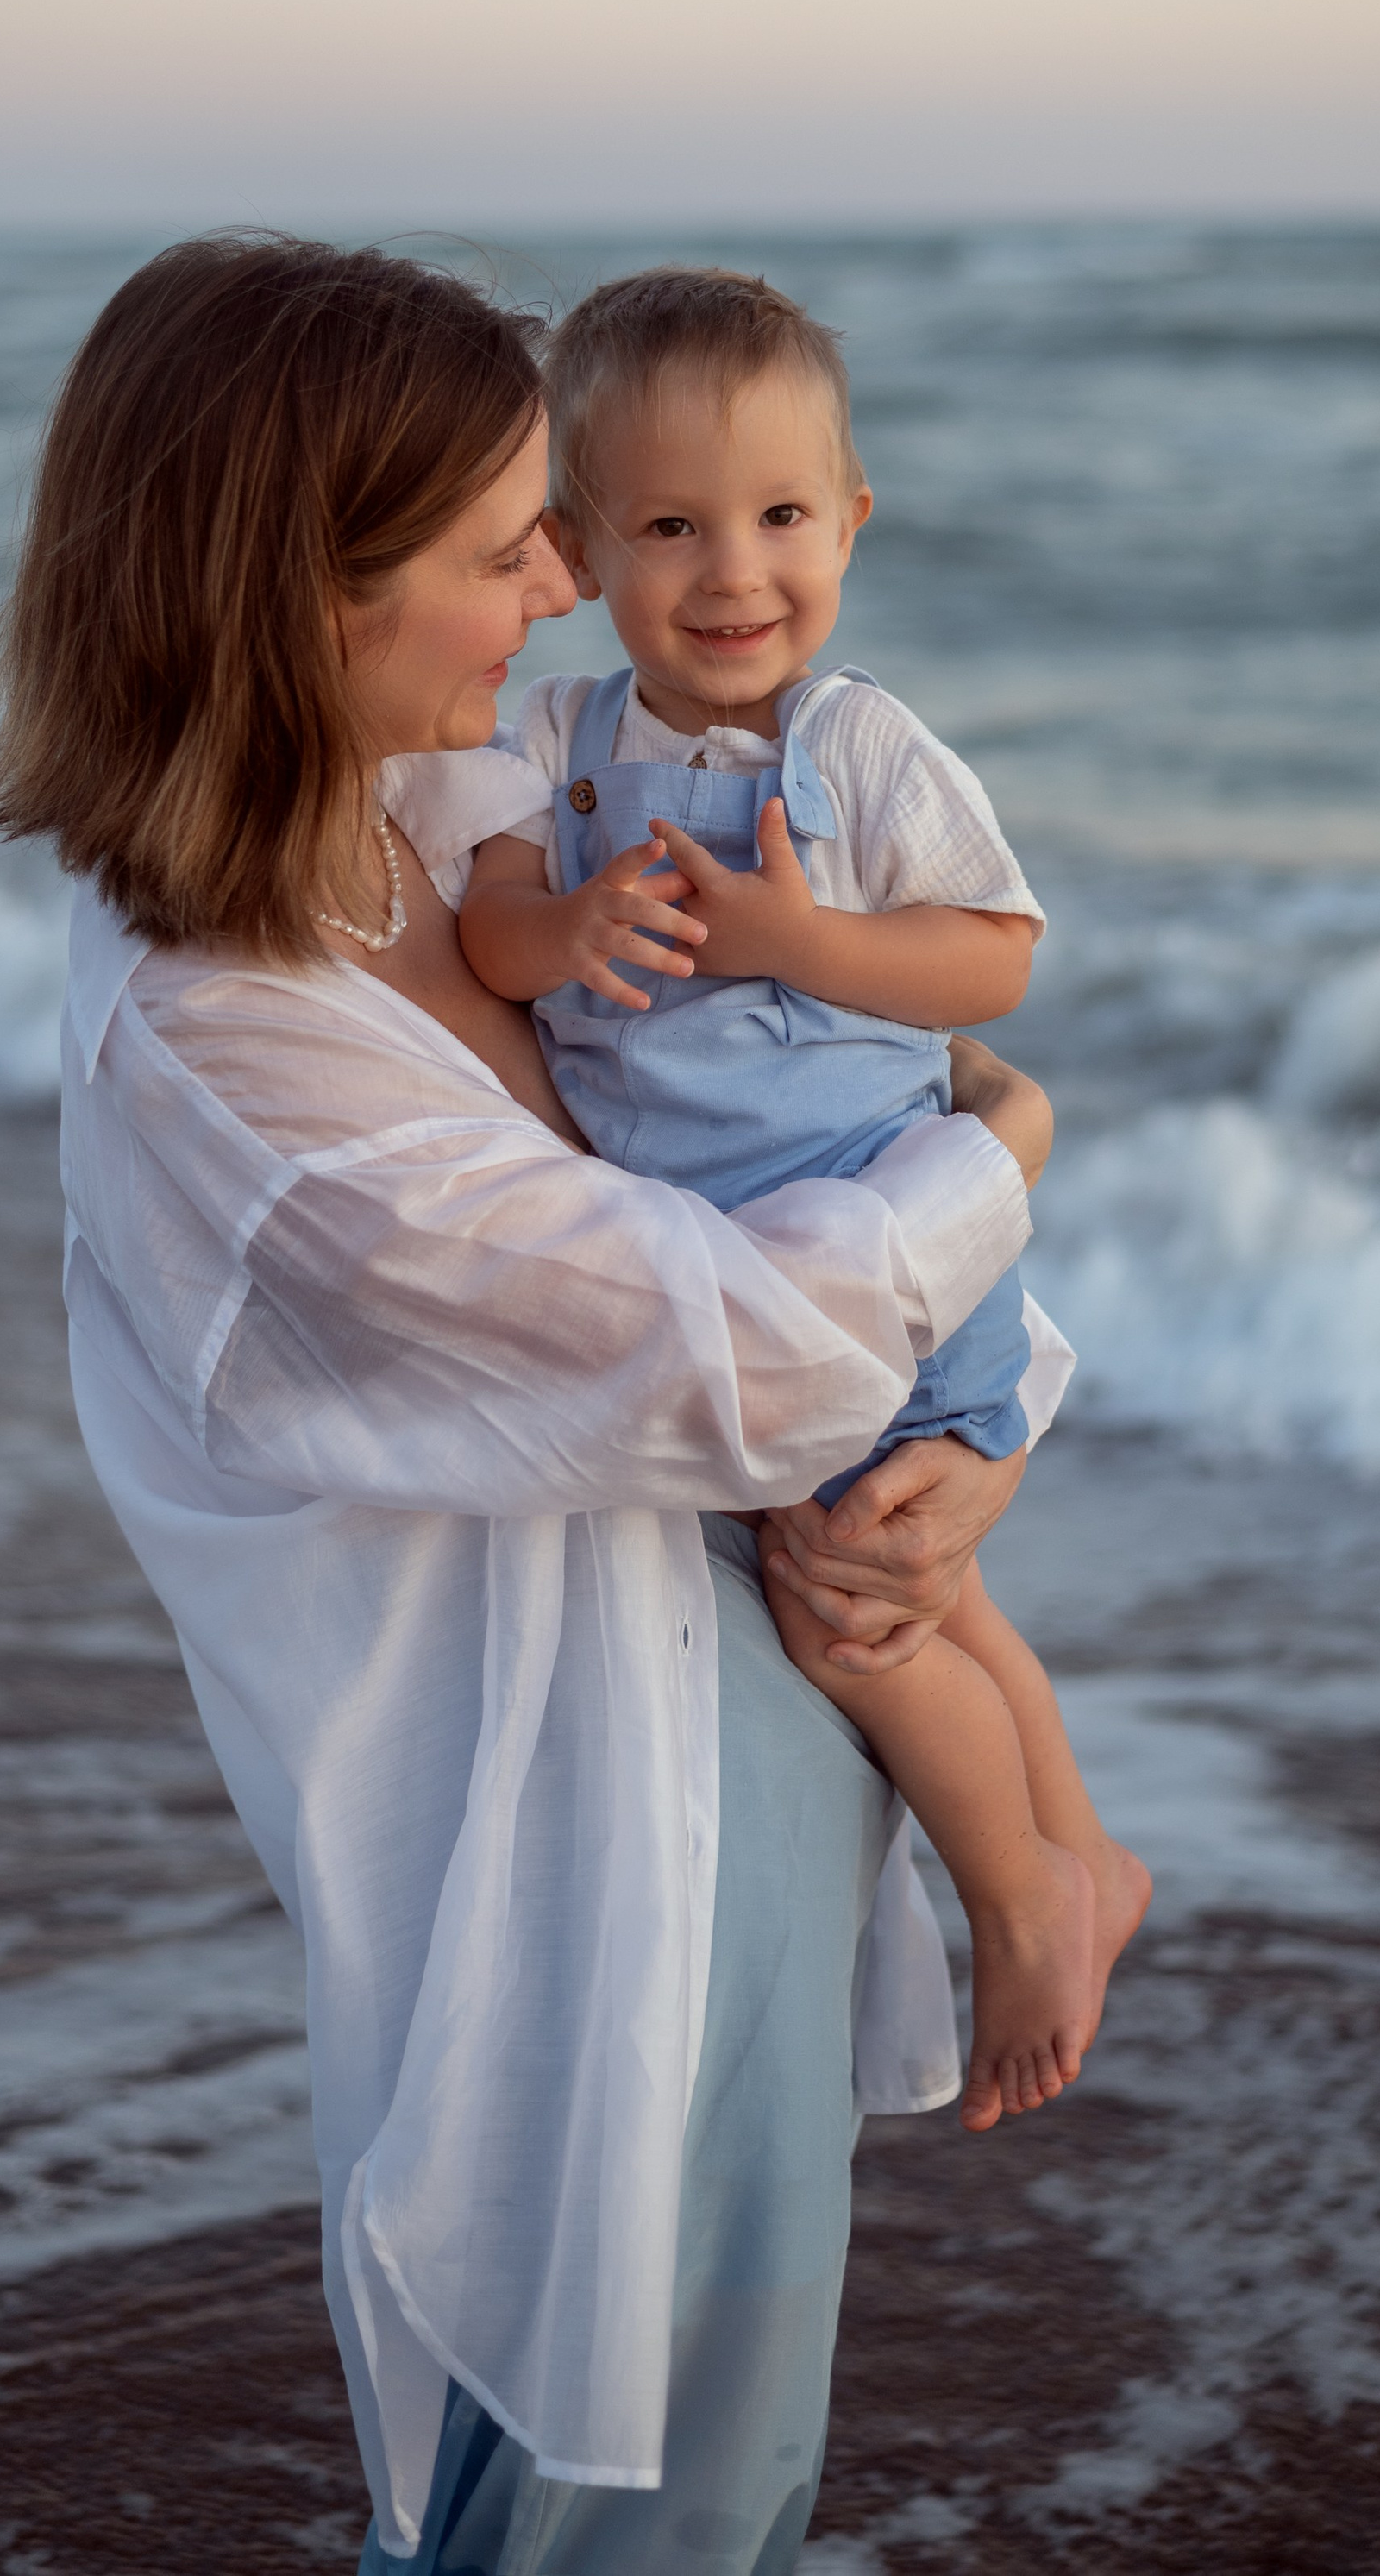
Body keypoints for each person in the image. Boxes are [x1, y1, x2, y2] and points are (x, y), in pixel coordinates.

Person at [0, 234, 1068, 2573]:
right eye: (507, 548)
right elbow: (730, 1344)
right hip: (580, 1853)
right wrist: (1009, 1144)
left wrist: (969, 1446)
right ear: (307, 590)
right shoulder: (232, 1045)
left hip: (723, 1723)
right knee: (604, 2507)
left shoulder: (411, 826)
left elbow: (771, 1174)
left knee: (703, 2479)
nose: (571, 585)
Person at [458, 266, 1150, 2133]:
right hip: (742, 1283)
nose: (732, 573)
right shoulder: (557, 745)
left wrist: (803, 942)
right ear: (576, 543)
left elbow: (994, 958)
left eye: (779, 516)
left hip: (880, 1257)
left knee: (852, 1609)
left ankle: (1022, 1893)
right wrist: (563, 929)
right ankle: (1086, 1848)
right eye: (670, 527)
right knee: (939, 1583)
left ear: (850, 520)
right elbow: (491, 929)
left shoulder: (861, 745)